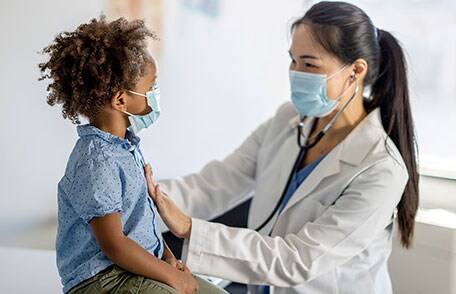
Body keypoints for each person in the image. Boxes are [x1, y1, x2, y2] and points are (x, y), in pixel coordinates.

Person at [145, 2, 419, 293]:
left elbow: (297, 260)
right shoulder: (287, 120)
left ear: (355, 71)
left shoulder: (380, 169)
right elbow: (215, 184)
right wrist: (142, 200)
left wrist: (189, 228)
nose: (296, 73)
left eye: (310, 64)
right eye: (294, 60)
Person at [40, 16, 226, 294]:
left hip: (133, 266)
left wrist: (168, 260)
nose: (155, 94)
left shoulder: (124, 147)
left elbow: (139, 222)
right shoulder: (97, 161)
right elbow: (114, 244)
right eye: (151, 88)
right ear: (120, 100)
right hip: (103, 279)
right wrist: (170, 278)